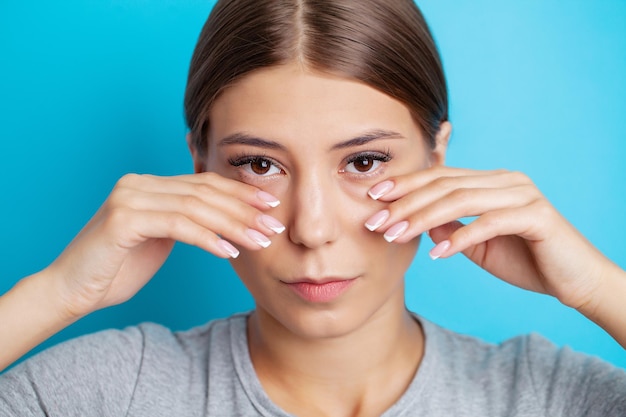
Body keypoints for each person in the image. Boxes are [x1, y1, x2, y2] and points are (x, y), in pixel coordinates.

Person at [1, 0, 625, 415]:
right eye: (259, 164)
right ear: (200, 164)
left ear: (437, 157)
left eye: (363, 162)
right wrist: (57, 293)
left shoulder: (544, 397)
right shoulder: (115, 392)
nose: (313, 229)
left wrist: (599, 288)